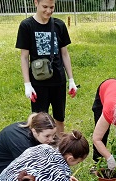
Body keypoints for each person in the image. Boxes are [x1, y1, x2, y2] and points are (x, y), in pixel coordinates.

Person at [16, 0, 78, 136]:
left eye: (52, 7)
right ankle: (39, 151)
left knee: (59, 118)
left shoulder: (59, 25)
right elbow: (24, 57)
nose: (48, 11)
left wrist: (71, 80)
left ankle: (60, 148)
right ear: (35, 3)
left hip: (58, 81)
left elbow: (65, 54)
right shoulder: (27, 26)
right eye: (45, 7)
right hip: (38, 82)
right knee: (39, 121)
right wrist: (27, 84)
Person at [0, 112, 57, 180]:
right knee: (29, 180)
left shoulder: (39, 129)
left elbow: (58, 149)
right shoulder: (22, 143)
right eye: (47, 136)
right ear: (34, 131)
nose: (51, 139)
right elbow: (33, 169)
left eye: (53, 135)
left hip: (14, 158)